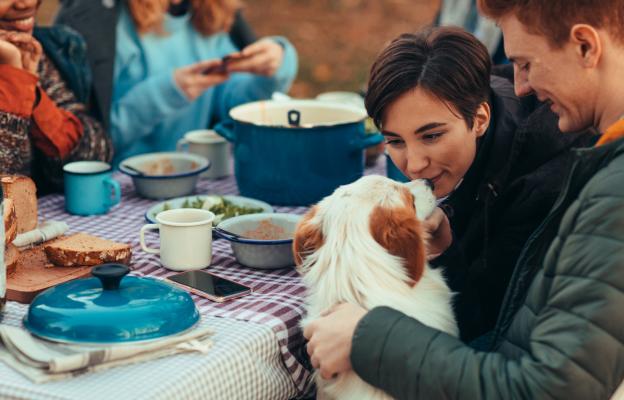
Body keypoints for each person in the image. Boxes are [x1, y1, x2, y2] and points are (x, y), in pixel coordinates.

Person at [304, 0, 624, 398]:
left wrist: (367, 337)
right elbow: (512, 331)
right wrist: (449, 253)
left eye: (526, 63)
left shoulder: (584, 184)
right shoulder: (602, 159)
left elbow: (545, 384)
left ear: (585, 47)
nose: (520, 85)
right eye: (394, 141)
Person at [365, 27, 594, 343]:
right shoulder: (467, 94)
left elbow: (488, 328)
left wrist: (444, 251)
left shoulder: (539, 188)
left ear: (480, 119)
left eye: (431, 136)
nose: (414, 165)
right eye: (395, 140)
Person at [61, 0, 298, 165]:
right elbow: (90, 138)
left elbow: (232, 105)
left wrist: (273, 69)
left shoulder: (209, 13)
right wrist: (167, 92)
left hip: (194, 173)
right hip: (124, 184)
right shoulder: (107, 23)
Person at [55, 0, 258, 132]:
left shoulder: (213, 10)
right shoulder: (102, 21)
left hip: (198, 171)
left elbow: (230, 100)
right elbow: (87, 140)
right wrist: (166, 93)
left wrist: (272, 74)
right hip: (121, 181)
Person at [0, 0, 112, 194]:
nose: (26, 3)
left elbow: (96, 157)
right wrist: (14, 81)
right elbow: (8, 198)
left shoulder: (47, 47)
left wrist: (31, 95)